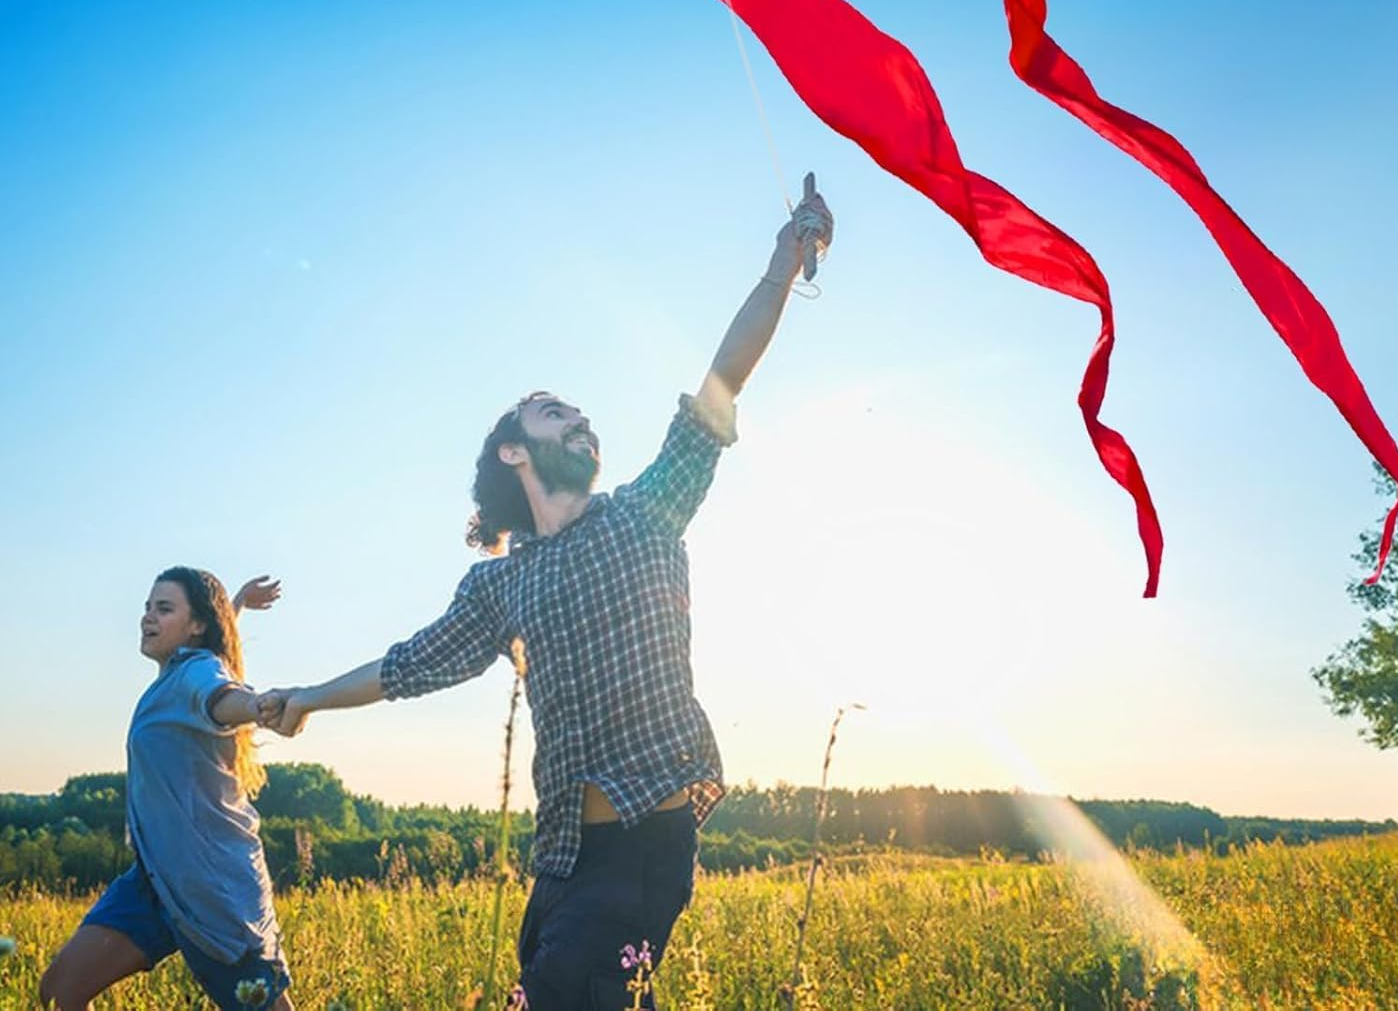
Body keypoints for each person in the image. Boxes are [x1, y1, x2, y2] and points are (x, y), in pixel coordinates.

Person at [263, 184, 834, 1009]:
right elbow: (407, 666)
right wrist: (309, 698)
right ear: (514, 453)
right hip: (562, 859)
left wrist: (782, 263)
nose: (580, 421)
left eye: (580, 415)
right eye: (555, 413)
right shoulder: (500, 584)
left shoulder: (645, 513)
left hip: (645, 847)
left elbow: (723, 380)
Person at [39, 571, 292, 1011]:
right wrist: (237, 604)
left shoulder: (196, 673)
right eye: (147, 607)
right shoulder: (180, 675)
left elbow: (221, 697)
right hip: (153, 879)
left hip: (209, 886)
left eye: (164, 609)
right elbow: (216, 650)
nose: (147, 617)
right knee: (61, 992)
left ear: (196, 625)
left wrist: (256, 706)